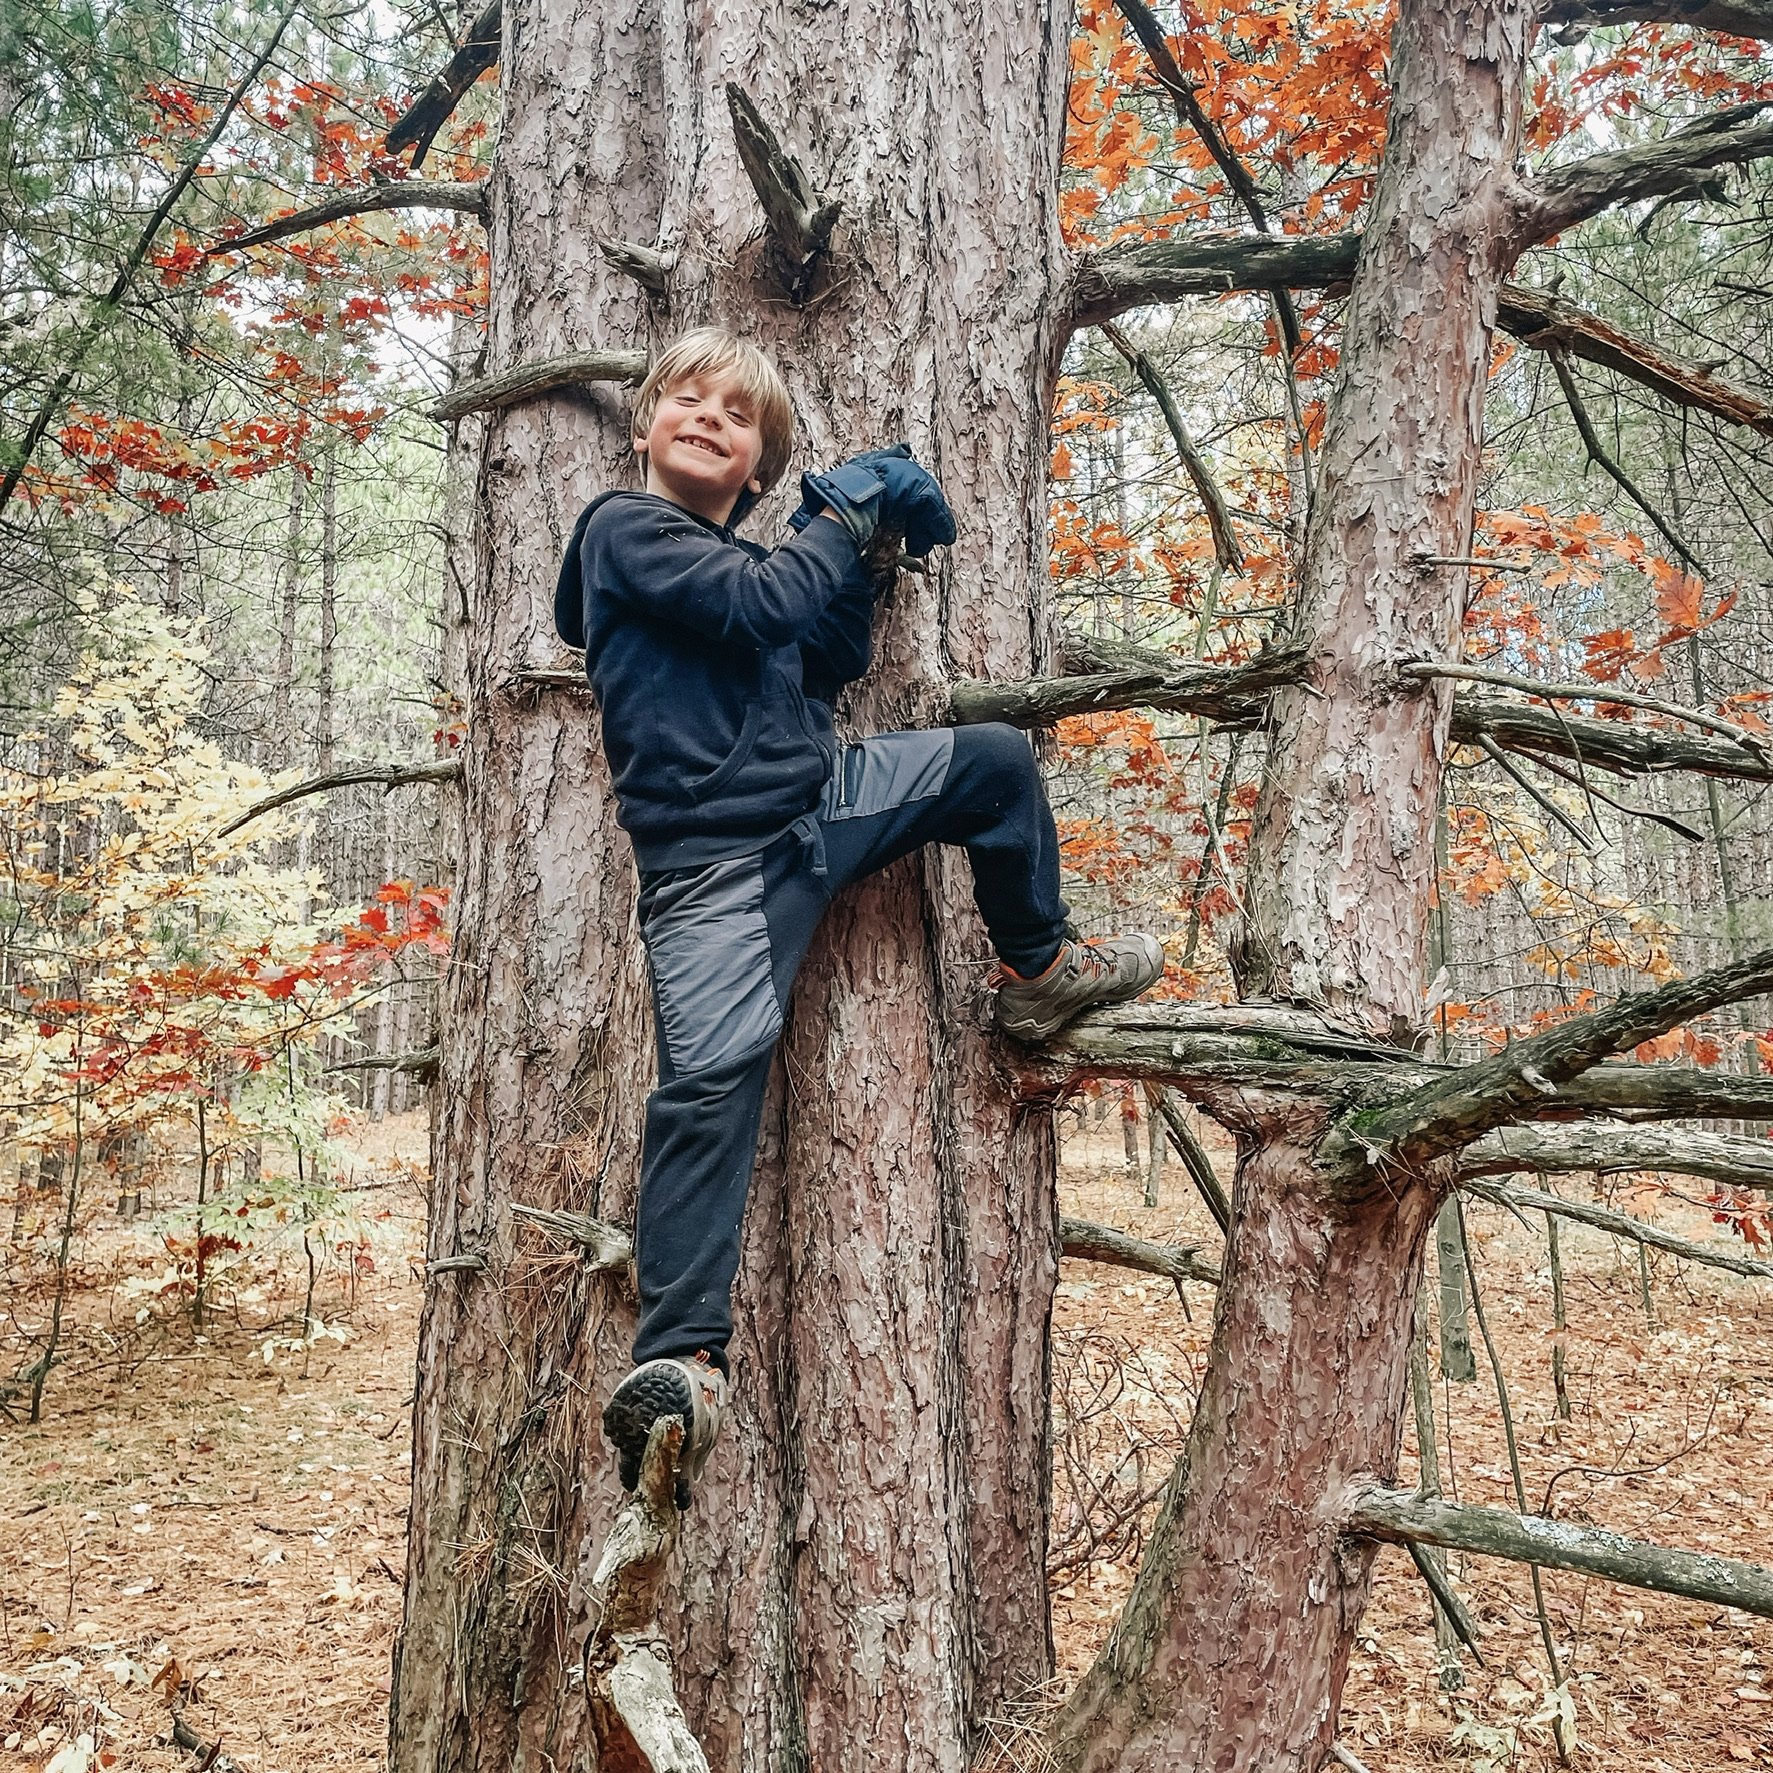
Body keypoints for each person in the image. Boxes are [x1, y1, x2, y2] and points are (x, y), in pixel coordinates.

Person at [554, 326, 1165, 1507]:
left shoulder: (739, 567)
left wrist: (871, 558)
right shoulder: (622, 535)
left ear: (756, 469)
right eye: (688, 399)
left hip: (820, 804)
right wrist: (843, 503)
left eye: (738, 418)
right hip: (714, 868)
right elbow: (766, 600)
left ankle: (1039, 967)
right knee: (710, 1090)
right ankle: (678, 1370)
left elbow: (816, 651)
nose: (709, 419)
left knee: (991, 764)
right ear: (644, 425)